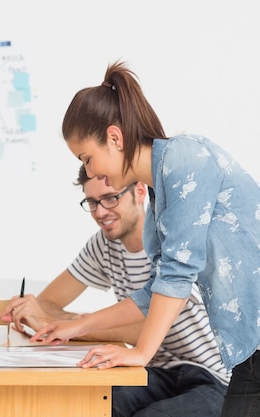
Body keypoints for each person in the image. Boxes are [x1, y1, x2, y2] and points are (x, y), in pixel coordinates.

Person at [33, 61, 260, 416]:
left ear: (114, 137)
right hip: (246, 350)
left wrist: (141, 353)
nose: (90, 172)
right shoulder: (158, 199)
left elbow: (178, 273)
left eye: (87, 158)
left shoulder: (186, 158)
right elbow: (155, 289)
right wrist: (77, 325)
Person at [1, 165, 230, 416]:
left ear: (140, 192)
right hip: (156, 372)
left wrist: (70, 323)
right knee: (94, 405)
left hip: (213, 377)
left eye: (110, 198)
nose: (100, 211)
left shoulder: (171, 243)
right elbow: (46, 303)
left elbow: (143, 330)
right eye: (92, 202)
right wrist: (40, 314)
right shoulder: (103, 245)